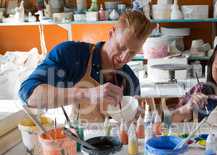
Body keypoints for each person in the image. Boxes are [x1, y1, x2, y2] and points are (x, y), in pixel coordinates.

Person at [19, 11, 155, 122]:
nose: (124, 58)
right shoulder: (71, 55)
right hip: (73, 143)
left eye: (132, 53)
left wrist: (141, 116)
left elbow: (132, 128)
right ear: (111, 33)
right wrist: (87, 93)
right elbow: (29, 95)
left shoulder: (129, 80)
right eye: (121, 47)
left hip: (107, 148)